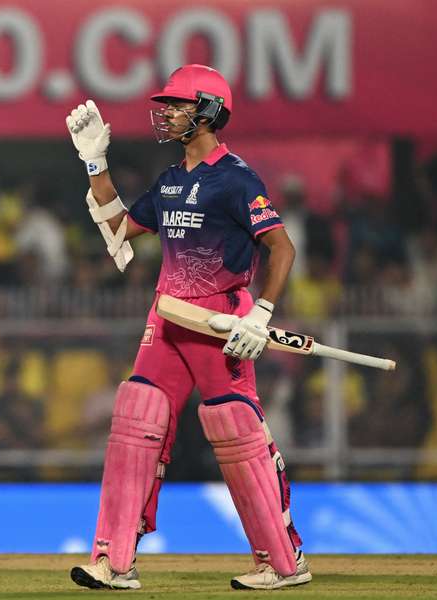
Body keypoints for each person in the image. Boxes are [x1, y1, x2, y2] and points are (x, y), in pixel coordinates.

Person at [65, 65, 311, 590]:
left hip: (220, 318)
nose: (168, 113)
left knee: (235, 428)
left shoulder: (237, 179)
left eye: (178, 105)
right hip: (169, 313)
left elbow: (282, 248)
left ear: (208, 112)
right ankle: (114, 560)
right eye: (168, 105)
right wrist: (94, 163)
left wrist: (261, 312)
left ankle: (282, 563)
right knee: (136, 419)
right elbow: (119, 229)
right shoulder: (171, 180)